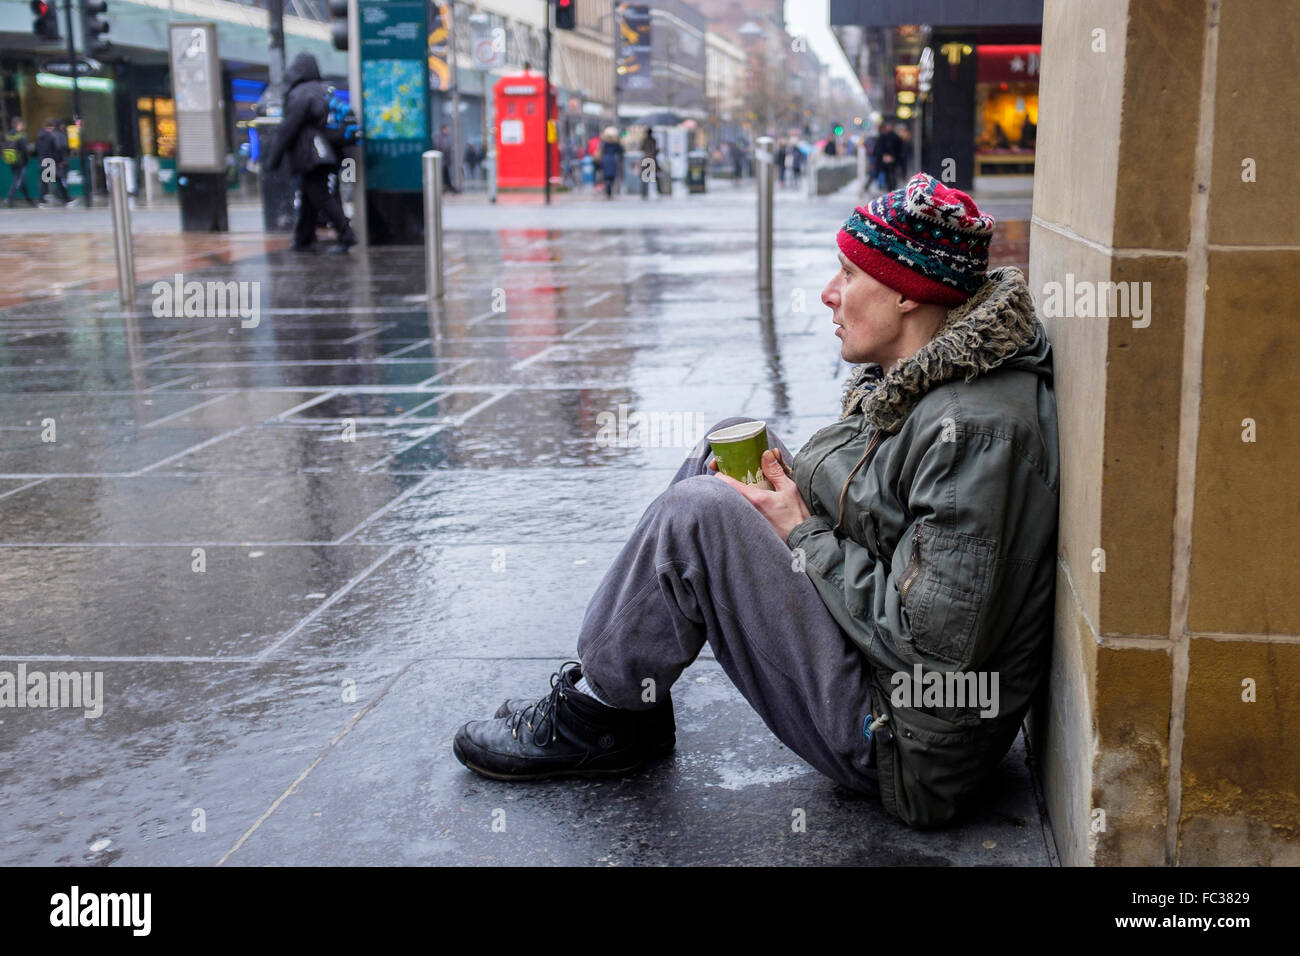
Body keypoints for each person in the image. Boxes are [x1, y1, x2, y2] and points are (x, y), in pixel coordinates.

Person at [452, 172, 1060, 830]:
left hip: (905, 743)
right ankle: (628, 706)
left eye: (850, 276)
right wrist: (787, 503)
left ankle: (597, 717)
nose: (829, 295)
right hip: (884, 683)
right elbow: (884, 518)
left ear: (910, 293)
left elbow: (931, 648)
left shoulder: (972, 432)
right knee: (730, 445)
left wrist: (801, 532)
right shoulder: (922, 379)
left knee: (700, 514)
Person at [264, 52, 358, 254]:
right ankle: (303, 238)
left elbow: (287, 128)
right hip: (325, 152)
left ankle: (346, 233)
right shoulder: (321, 91)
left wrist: (273, 159)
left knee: (320, 195)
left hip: (311, 155)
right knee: (310, 196)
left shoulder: (301, 94)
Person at [3, 117, 37, 208]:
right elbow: (24, 150)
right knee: (18, 181)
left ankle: (29, 199)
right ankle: (8, 199)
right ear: (19, 125)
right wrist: (26, 161)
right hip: (20, 161)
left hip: (11, 160)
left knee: (21, 180)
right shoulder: (21, 136)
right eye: (21, 125)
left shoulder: (8, 135)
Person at [35, 118, 69, 207]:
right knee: (59, 179)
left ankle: (42, 200)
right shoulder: (50, 137)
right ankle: (66, 198)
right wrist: (60, 161)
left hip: (43, 160)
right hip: (51, 161)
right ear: (51, 127)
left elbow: (37, 149)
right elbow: (55, 150)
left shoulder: (39, 135)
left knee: (45, 181)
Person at [872, 121, 904, 191]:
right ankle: (890, 187)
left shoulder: (883, 137)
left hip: (886, 159)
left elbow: (878, 149)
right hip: (889, 159)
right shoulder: (890, 137)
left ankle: (887, 187)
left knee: (886, 174)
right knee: (890, 173)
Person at [600, 126, 623, 199]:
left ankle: (607, 187)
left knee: (606, 175)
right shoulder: (615, 144)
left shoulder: (604, 143)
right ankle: (609, 186)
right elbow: (621, 151)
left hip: (605, 159)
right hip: (612, 159)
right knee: (612, 175)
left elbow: (601, 150)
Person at [435, 125, 459, 193]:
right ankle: (447, 188)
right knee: (444, 175)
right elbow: (442, 148)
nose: (448, 130)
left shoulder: (445, 137)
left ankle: (448, 188)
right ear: (443, 129)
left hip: (446, 161)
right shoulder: (440, 137)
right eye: (447, 129)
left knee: (446, 175)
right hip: (443, 161)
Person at [638, 129, 659, 199]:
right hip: (652, 159)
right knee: (654, 177)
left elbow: (641, 148)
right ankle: (656, 192)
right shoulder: (654, 140)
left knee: (644, 177)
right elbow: (655, 150)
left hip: (645, 159)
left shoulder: (644, 140)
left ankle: (644, 194)